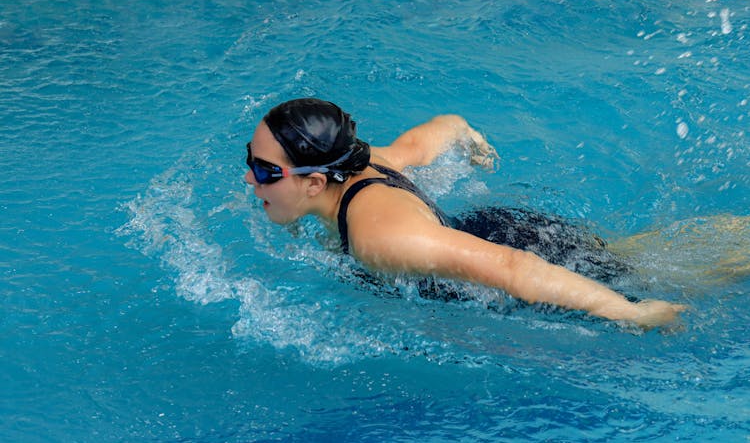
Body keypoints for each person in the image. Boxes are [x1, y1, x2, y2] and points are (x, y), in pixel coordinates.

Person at [244, 98, 688, 329]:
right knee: (650, 254)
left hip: (520, 261)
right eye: (251, 159)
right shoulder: (359, 161)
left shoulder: (381, 238)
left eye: (264, 171)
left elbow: (512, 268)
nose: (250, 180)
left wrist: (629, 314)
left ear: (315, 182)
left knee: (690, 277)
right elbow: (435, 133)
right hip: (495, 230)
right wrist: (468, 137)